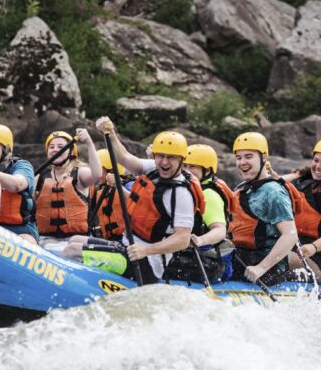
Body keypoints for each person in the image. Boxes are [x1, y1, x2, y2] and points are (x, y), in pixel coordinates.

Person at [63, 117, 205, 284]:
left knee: (73, 250)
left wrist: (146, 250)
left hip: (147, 262)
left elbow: (182, 239)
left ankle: (64, 290)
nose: (164, 162)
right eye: (160, 156)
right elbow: (123, 157)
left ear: (181, 160)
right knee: (74, 240)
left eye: (171, 158)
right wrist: (110, 132)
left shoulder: (181, 194)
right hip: (128, 245)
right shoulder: (154, 168)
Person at [229, 132, 299, 285]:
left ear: (264, 158)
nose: (242, 162)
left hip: (267, 271)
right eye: (238, 158)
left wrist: (261, 268)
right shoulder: (241, 188)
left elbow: (290, 234)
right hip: (241, 262)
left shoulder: (273, 192)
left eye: (248, 156)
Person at [166, 144, 234, 282]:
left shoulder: (208, 194)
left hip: (208, 260)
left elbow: (220, 230)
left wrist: (200, 240)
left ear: (207, 170)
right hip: (191, 254)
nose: (187, 171)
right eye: (184, 166)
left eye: (193, 167)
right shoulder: (187, 189)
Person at [35, 129, 102, 248]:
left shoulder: (80, 173)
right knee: (47, 246)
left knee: (71, 247)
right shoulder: (40, 177)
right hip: (46, 239)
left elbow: (97, 174)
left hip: (77, 239)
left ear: (71, 152)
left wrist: (89, 142)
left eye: (60, 146)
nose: (55, 149)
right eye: (51, 147)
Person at [0, 124, 38, 244]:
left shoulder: (21, 166)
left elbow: (18, 184)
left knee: (27, 241)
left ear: (6, 148)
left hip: (20, 230)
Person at [285, 140, 321, 281]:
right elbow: (271, 184)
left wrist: (313, 247)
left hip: (314, 258)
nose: (318, 166)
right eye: (316, 160)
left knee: (278, 257)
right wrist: (299, 173)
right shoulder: (303, 183)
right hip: (294, 249)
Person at [89, 149, 127, 242]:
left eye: (98, 169)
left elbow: (139, 202)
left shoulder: (127, 185)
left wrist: (118, 186)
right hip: (110, 240)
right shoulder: (100, 192)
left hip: (126, 240)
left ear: (110, 170)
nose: (96, 173)